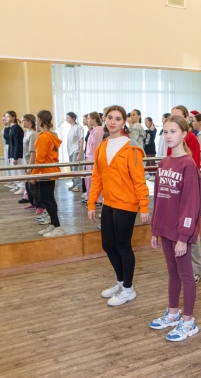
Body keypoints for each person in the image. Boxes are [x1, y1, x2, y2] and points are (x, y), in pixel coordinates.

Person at [88, 105, 150, 307]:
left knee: (123, 246)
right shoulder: (102, 147)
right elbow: (97, 177)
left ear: (124, 122)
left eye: (117, 118)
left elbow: (139, 180)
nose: (113, 122)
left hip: (126, 203)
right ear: (105, 119)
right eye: (110, 117)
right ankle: (121, 282)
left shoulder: (132, 147)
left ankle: (128, 289)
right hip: (109, 203)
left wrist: (144, 206)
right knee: (108, 245)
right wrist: (91, 203)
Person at [149, 115, 201, 342]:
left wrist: (183, 237)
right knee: (172, 272)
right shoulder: (163, 163)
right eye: (165, 132)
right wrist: (155, 229)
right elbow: (159, 198)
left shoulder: (188, 164)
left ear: (184, 134)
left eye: (173, 131)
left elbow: (191, 204)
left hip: (180, 232)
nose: (168, 136)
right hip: (165, 228)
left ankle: (188, 322)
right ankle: (172, 314)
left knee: (186, 274)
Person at [171, 105, 201, 283]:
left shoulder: (191, 138)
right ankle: (182, 266)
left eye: (178, 116)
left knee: (191, 230)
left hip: (188, 191)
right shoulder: (172, 138)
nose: (174, 120)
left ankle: (195, 269)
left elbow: (194, 165)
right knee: (179, 230)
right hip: (175, 192)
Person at [33, 110, 66, 237]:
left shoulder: (44, 137)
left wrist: (33, 175)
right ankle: (53, 225)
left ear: (40, 120)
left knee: (45, 199)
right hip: (50, 171)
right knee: (50, 198)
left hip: (45, 172)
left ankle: (58, 227)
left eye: (36, 120)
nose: (35, 122)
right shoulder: (50, 135)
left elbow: (39, 159)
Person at [82, 112, 104, 206]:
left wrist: (96, 160)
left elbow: (97, 147)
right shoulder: (93, 131)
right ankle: (90, 196)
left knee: (94, 179)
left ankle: (98, 199)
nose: (87, 120)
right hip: (89, 157)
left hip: (93, 158)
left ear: (94, 119)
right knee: (88, 179)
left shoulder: (98, 131)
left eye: (89, 118)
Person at [21, 114, 39, 207]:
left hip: (31, 162)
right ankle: (32, 202)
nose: (22, 122)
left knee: (33, 184)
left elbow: (33, 152)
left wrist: (30, 166)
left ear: (30, 122)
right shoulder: (26, 133)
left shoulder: (33, 134)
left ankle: (38, 204)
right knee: (28, 184)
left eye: (23, 120)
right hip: (26, 161)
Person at [5, 111, 25, 194]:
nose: (6, 118)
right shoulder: (11, 128)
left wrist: (15, 157)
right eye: (6, 117)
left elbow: (17, 143)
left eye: (8, 116)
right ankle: (18, 185)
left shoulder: (17, 128)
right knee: (14, 171)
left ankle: (23, 187)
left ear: (13, 117)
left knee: (20, 171)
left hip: (17, 154)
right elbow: (11, 144)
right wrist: (10, 156)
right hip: (12, 153)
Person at [65, 112, 85, 192]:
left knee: (77, 169)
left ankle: (78, 185)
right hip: (71, 151)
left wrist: (80, 153)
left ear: (73, 118)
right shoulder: (71, 128)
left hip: (76, 150)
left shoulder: (78, 127)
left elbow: (81, 140)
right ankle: (74, 183)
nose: (66, 119)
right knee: (72, 169)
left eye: (68, 118)